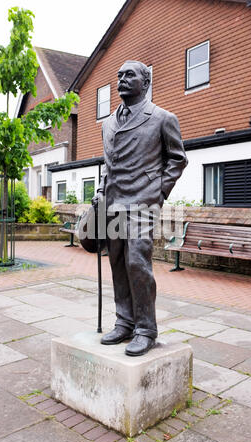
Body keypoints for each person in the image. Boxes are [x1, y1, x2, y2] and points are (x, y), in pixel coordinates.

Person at [93, 60, 188, 356]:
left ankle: (146, 329)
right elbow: (110, 166)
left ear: (145, 82)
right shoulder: (108, 123)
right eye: (119, 75)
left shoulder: (162, 118)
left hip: (143, 203)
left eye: (129, 75)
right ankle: (124, 321)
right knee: (118, 261)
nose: (121, 79)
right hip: (113, 202)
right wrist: (100, 191)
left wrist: (158, 193)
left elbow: (177, 159)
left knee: (137, 262)